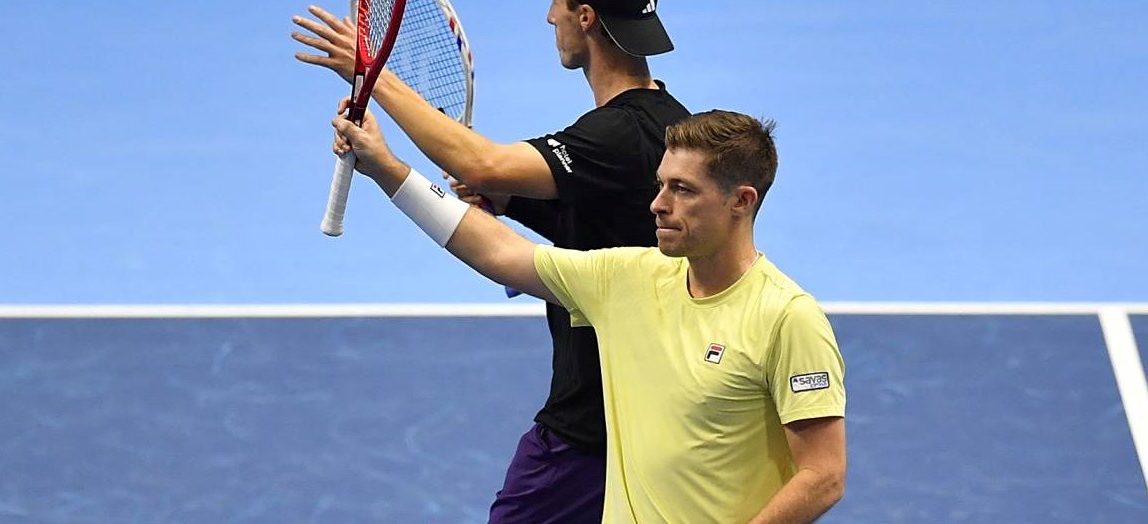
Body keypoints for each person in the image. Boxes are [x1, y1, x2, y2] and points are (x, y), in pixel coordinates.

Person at [293, 0, 691, 523]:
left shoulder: (617, 137)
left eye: (555, 1)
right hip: (654, 417)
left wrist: (370, 72)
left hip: (592, 426)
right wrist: (500, 198)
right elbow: (589, 225)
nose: (548, 15)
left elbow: (480, 165)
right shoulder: (667, 124)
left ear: (585, 18)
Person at [331, 107, 848, 523]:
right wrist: (386, 167)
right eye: (661, 184)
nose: (658, 204)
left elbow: (823, 475)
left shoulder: (787, 318)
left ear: (742, 201)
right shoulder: (629, 279)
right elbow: (499, 253)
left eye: (682, 190)